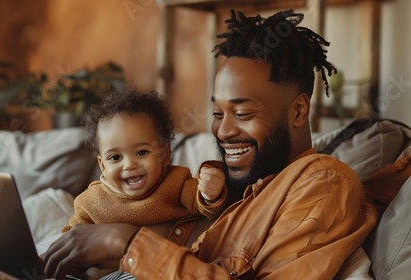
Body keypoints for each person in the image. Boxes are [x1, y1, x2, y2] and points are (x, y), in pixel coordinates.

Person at [41, 9, 378, 280]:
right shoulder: (244, 184)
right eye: (218, 112)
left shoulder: (324, 182)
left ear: (299, 110)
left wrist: (124, 242)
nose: (223, 131)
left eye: (243, 112)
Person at [62, 88, 227, 232]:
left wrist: (210, 195)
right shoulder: (91, 203)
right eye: (115, 157)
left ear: (165, 154)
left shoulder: (177, 183)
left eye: (141, 152)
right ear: (103, 165)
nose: (129, 165)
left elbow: (202, 206)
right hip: (112, 267)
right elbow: (72, 240)